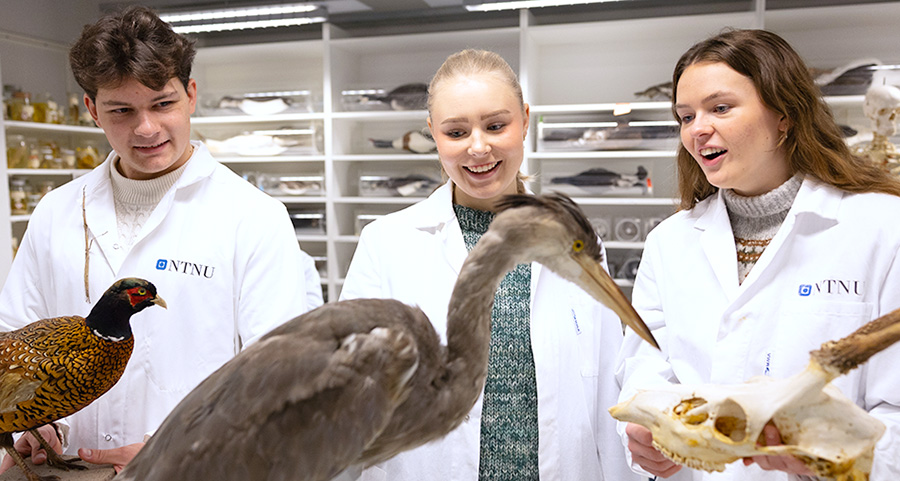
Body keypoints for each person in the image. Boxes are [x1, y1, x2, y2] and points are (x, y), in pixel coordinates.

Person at [0, 5, 322, 473]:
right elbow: (16, 340)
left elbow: (279, 374)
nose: (146, 128)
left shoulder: (252, 215)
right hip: (71, 466)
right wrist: (39, 423)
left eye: (162, 104)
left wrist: (183, 445)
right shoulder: (56, 212)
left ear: (190, 95)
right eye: (122, 111)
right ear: (92, 110)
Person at [340, 49, 639, 481]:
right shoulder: (387, 243)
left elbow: (610, 386)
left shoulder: (575, 239)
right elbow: (355, 395)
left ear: (525, 120)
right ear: (433, 134)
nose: (478, 147)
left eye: (496, 125)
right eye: (456, 131)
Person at [615, 28, 900, 480]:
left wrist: (832, 453)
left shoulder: (882, 228)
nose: (697, 129)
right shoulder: (670, 241)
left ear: (783, 114)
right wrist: (645, 435)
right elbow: (646, 369)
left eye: (720, 108)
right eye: (685, 116)